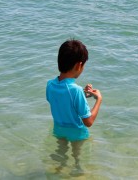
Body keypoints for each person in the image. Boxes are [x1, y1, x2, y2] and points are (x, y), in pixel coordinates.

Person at [46, 39, 103, 174]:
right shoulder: (76, 90)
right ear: (79, 65)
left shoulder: (50, 85)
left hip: (59, 129)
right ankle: (77, 169)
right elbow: (88, 122)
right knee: (77, 157)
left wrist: (83, 95)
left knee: (61, 154)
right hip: (77, 133)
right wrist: (98, 99)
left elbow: (61, 100)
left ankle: (58, 170)